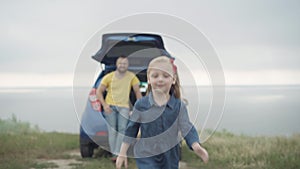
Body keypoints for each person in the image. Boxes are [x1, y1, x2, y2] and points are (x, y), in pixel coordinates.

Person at [116, 56, 208, 169]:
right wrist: (122, 152)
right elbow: (131, 129)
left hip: (170, 157)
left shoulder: (179, 106)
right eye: (155, 76)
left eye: (165, 76)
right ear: (149, 79)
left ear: (173, 79)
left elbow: (186, 128)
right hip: (146, 154)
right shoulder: (141, 105)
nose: (160, 79)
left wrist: (196, 145)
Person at [96, 55, 142, 159]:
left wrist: (137, 108)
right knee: (112, 131)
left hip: (124, 108)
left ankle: (117, 154)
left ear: (128, 65)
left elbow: (138, 93)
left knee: (122, 130)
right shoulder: (109, 77)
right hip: (110, 107)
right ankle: (114, 154)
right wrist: (104, 105)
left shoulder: (132, 77)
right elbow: (98, 92)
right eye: (120, 63)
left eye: (125, 63)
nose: (122, 65)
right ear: (116, 64)